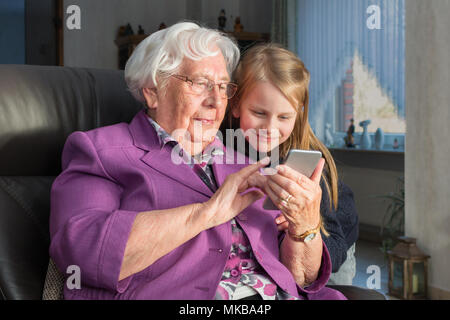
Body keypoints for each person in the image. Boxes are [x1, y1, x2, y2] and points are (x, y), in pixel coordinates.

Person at [49, 22, 345, 300]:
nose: (216, 101)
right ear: (152, 91)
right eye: (201, 83)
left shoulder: (245, 164)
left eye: (223, 87)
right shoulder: (100, 150)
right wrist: (207, 213)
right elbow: (80, 254)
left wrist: (305, 228)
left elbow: (300, 279)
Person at [221, 43, 359, 285]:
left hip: (335, 248)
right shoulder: (223, 144)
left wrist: (304, 224)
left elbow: (333, 248)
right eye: (259, 113)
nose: (269, 128)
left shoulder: (309, 162)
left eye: (284, 117)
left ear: (298, 114)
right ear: (235, 105)